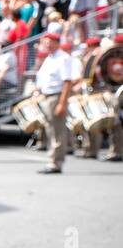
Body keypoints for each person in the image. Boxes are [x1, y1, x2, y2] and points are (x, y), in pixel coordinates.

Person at [34, 32, 81, 174]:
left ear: (56, 42)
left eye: (50, 41)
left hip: (56, 96)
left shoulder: (63, 58)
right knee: (50, 130)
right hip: (47, 96)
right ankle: (52, 160)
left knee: (57, 131)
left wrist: (62, 103)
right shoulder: (50, 58)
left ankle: (56, 162)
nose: (47, 44)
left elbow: (67, 82)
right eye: (45, 42)